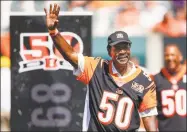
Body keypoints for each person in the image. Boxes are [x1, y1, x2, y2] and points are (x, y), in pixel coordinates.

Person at [44, 3, 158, 131]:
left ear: (130, 50)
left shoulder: (144, 81)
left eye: (125, 47)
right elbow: (70, 54)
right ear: (109, 51)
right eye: (118, 48)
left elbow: (149, 119)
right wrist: (54, 32)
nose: (122, 52)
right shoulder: (97, 68)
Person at [153, 44, 186, 131]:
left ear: (180, 57)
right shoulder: (157, 79)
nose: (170, 58)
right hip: (165, 128)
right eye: (167, 55)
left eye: (173, 55)